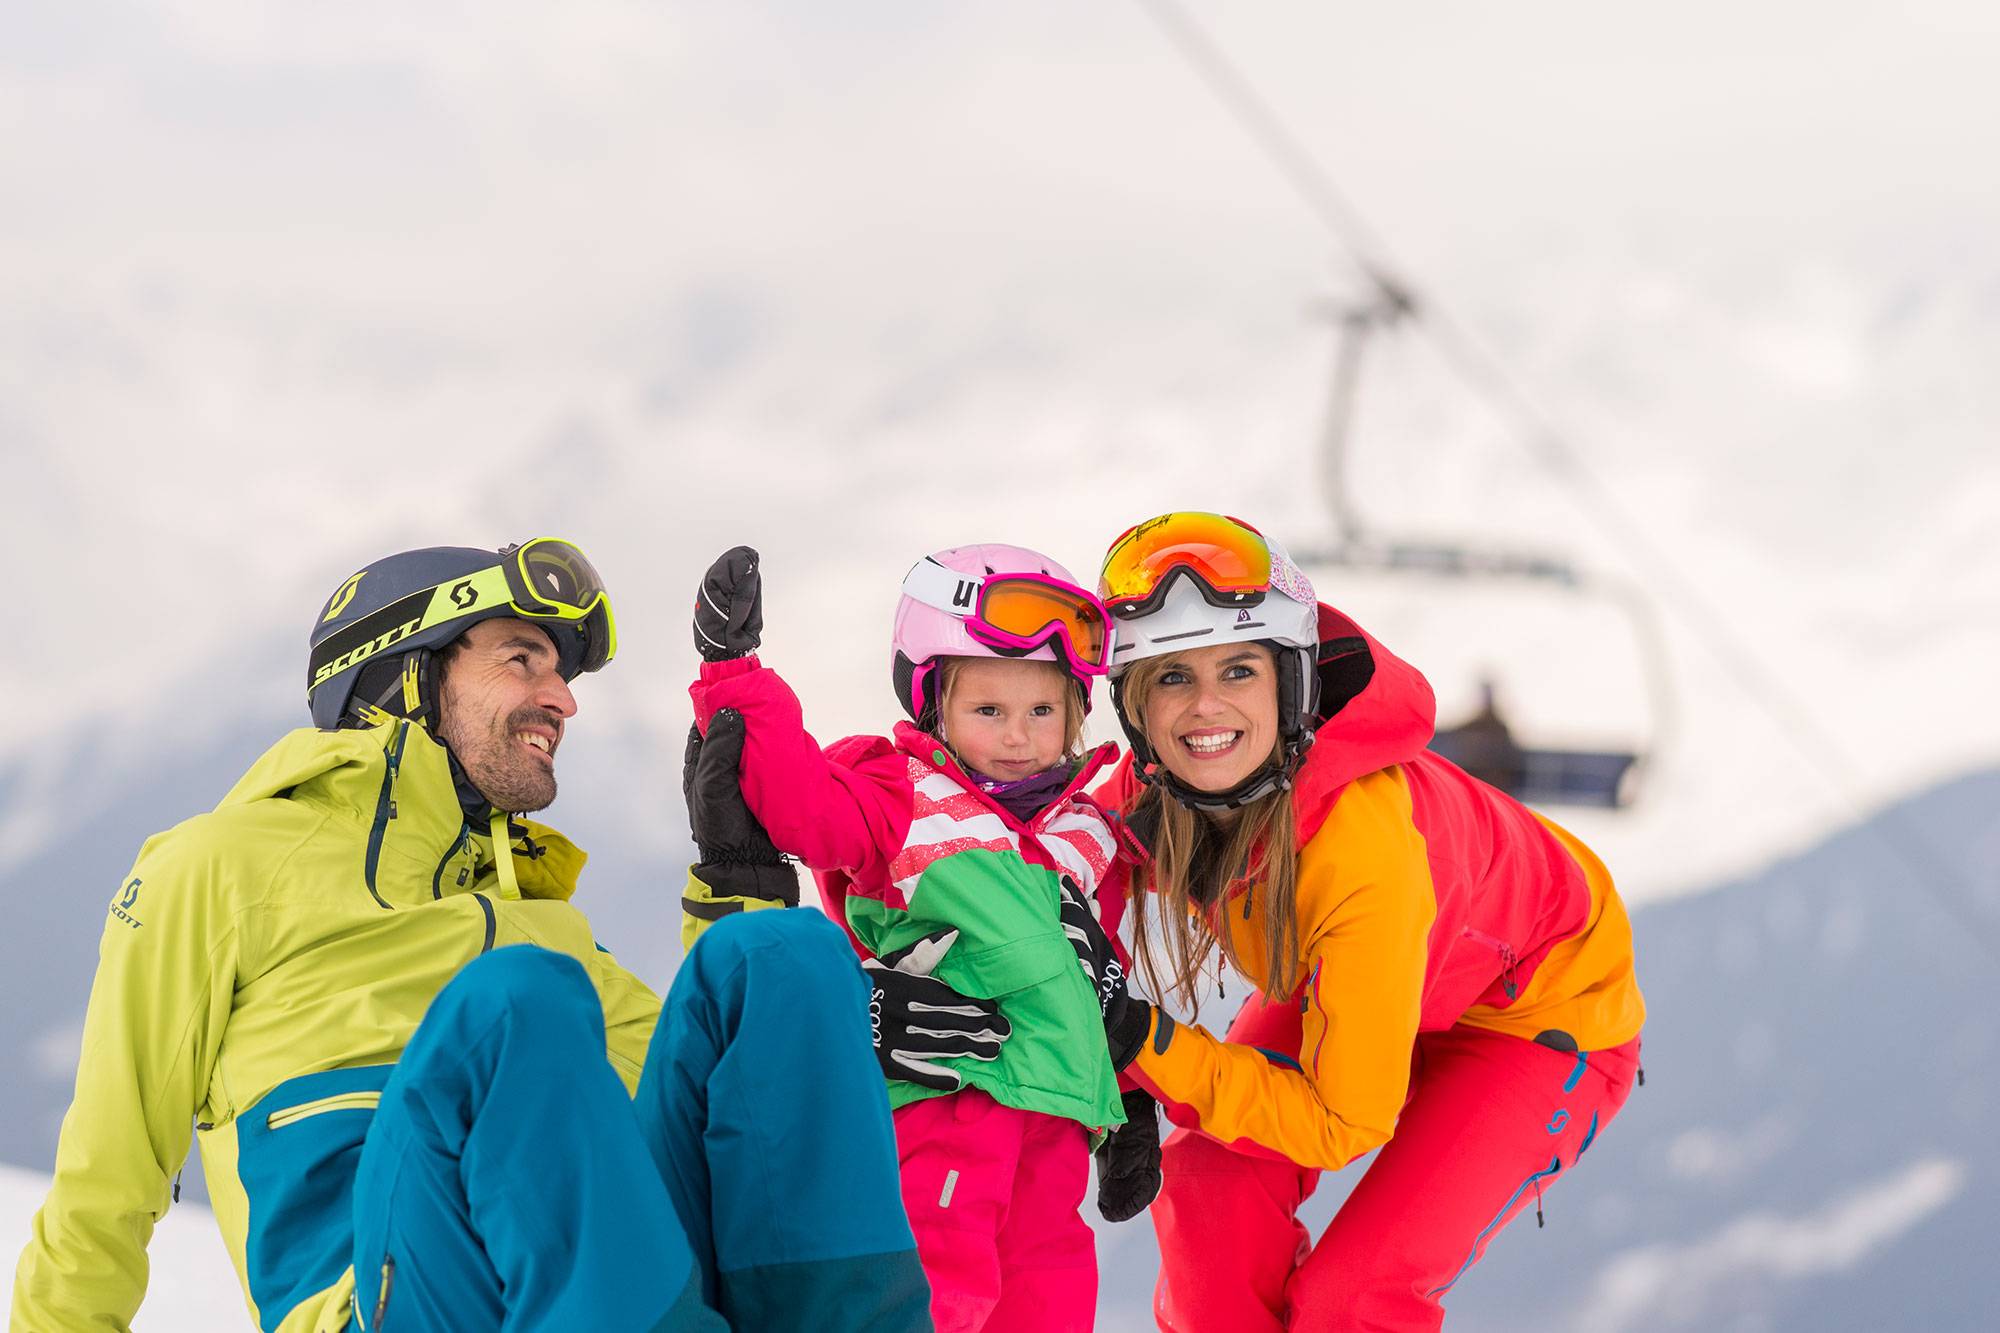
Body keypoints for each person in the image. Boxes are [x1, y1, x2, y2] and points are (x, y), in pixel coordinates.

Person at [12, 538, 963, 1332]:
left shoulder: (536, 918)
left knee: (782, 958)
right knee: (516, 1005)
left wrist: (741, 884)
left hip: (586, 1288)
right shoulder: (218, 865)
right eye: (522, 659)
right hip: (385, 1295)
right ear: (405, 673)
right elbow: (107, 1178)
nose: (563, 698)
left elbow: (715, 1113)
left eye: (561, 673)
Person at [1069, 512, 1647, 1331]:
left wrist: (1144, 1043)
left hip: (1538, 1015)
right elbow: (1043, 882)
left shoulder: (1361, 854)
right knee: (1207, 1187)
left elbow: (1341, 1119)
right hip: (1361, 979)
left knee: (1356, 1299)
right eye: (1171, 676)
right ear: (1136, 707)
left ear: (1290, 683)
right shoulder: (1160, 790)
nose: (1205, 706)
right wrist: (1116, 1080)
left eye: (1238, 669)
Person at [682, 545, 1162, 1333]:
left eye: (1042, 712)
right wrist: (736, 677)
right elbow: (804, 803)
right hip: (948, 1097)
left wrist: (1128, 1098)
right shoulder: (909, 795)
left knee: (1051, 1295)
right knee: (939, 1285)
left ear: (1076, 715)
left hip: (1054, 1123)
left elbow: (1096, 980)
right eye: (988, 710)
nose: (1018, 735)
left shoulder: (1087, 833)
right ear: (936, 707)